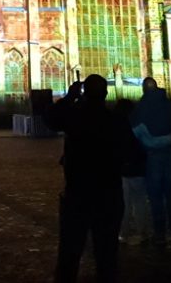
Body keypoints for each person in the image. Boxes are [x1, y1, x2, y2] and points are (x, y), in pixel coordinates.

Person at [45, 75, 127, 283]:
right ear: (106, 94)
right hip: (108, 195)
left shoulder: (75, 118)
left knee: (70, 254)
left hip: (78, 194)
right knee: (107, 255)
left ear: (84, 93)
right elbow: (132, 155)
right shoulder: (114, 120)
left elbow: (50, 119)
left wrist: (69, 97)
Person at [131, 77, 171, 246]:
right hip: (169, 150)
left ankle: (160, 233)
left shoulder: (141, 106)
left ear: (144, 89)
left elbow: (134, 130)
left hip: (151, 153)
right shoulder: (169, 104)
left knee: (155, 195)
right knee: (170, 192)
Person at [114, 98, 149, 245]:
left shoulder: (113, 125)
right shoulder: (136, 124)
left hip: (121, 168)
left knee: (124, 202)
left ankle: (123, 232)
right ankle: (143, 232)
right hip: (136, 167)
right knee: (140, 201)